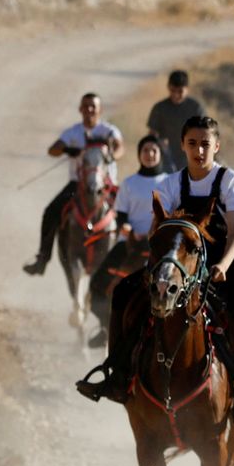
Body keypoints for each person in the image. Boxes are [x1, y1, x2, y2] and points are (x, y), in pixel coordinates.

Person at [76, 116, 234, 424]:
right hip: (178, 257)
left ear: (216, 146)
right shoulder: (170, 183)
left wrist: (222, 265)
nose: (199, 150)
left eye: (205, 144)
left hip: (223, 254)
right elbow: (159, 231)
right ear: (182, 145)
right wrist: (157, 266)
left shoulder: (230, 181)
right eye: (192, 143)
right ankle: (116, 372)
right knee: (125, 292)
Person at [23, 92, 125, 275]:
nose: (89, 109)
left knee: (130, 213)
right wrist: (66, 149)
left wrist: (111, 156)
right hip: (77, 185)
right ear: (80, 109)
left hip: (106, 185)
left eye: (93, 106)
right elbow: (52, 150)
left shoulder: (108, 130)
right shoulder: (73, 132)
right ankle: (42, 258)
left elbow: (119, 147)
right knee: (51, 212)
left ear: (100, 109)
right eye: (86, 106)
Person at [87, 135, 171, 345]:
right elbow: (121, 213)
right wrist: (128, 228)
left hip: (160, 244)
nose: (149, 154)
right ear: (139, 154)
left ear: (160, 154)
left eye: (154, 150)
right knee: (97, 284)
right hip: (131, 242)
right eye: (145, 150)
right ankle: (106, 328)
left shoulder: (170, 182)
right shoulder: (129, 183)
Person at [147, 70, 206, 173]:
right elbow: (152, 134)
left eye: (180, 91)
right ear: (168, 87)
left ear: (187, 89)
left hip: (191, 157)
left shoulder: (195, 108)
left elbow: (205, 133)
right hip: (166, 160)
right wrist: (158, 143)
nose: (175, 95)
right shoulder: (160, 108)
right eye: (172, 90)